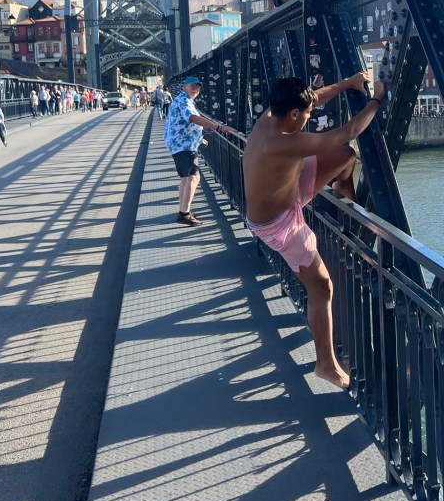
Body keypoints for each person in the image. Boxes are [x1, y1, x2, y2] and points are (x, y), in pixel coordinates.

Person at [242, 72, 384, 389]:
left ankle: (345, 203)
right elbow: (349, 131)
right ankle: (325, 365)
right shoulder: (282, 143)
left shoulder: (270, 116)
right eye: (306, 114)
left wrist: (348, 83)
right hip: (278, 224)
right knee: (322, 287)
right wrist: (376, 99)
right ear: (294, 114)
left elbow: (313, 99)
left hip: (288, 189)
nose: (309, 116)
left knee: (345, 156)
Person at [163, 76, 228, 226]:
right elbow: (193, 118)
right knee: (194, 178)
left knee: (186, 178)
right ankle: (184, 214)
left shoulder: (182, 99)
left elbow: (183, 123)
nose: (196, 89)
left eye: (198, 87)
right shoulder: (184, 101)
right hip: (183, 145)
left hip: (180, 143)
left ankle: (183, 211)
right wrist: (219, 127)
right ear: (184, 86)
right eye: (192, 86)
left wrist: (199, 139)